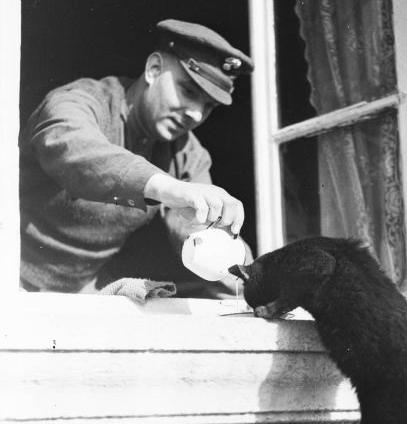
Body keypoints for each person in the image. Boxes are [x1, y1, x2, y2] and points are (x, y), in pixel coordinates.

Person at [19, 19, 253, 297]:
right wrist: (170, 188)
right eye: (188, 91)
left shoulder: (188, 154)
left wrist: (251, 280)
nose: (196, 114)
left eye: (209, 106)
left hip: (80, 292)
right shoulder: (82, 100)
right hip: (11, 274)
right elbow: (73, 147)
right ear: (154, 69)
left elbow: (202, 235)